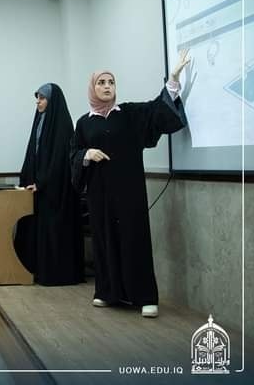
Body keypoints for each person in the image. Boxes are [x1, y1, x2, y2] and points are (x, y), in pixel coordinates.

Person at [70, 51, 190, 318]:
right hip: (100, 195)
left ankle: (145, 297)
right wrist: (86, 154)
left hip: (129, 192)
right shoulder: (83, 123)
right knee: (105, 240)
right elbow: (73, 155)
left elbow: (157, 111)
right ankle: (107, 291)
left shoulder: (129, 114)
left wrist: (172, 80)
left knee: (135, 240)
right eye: (101, 82)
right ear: (92, 87)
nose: (107, 86)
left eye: (111, 82)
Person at [19, 83, 84, 286]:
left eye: (42, 98)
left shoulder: (63, 126)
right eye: (37, 98)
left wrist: (42, 183)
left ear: (52, 101)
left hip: (57, 191)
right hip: (39, 188)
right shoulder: (40, 121)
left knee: (53, 229)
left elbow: (59, 161)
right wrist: (28, 179)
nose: (38, 102)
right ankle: (36, 270)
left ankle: (55, 274)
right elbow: (33, 153)